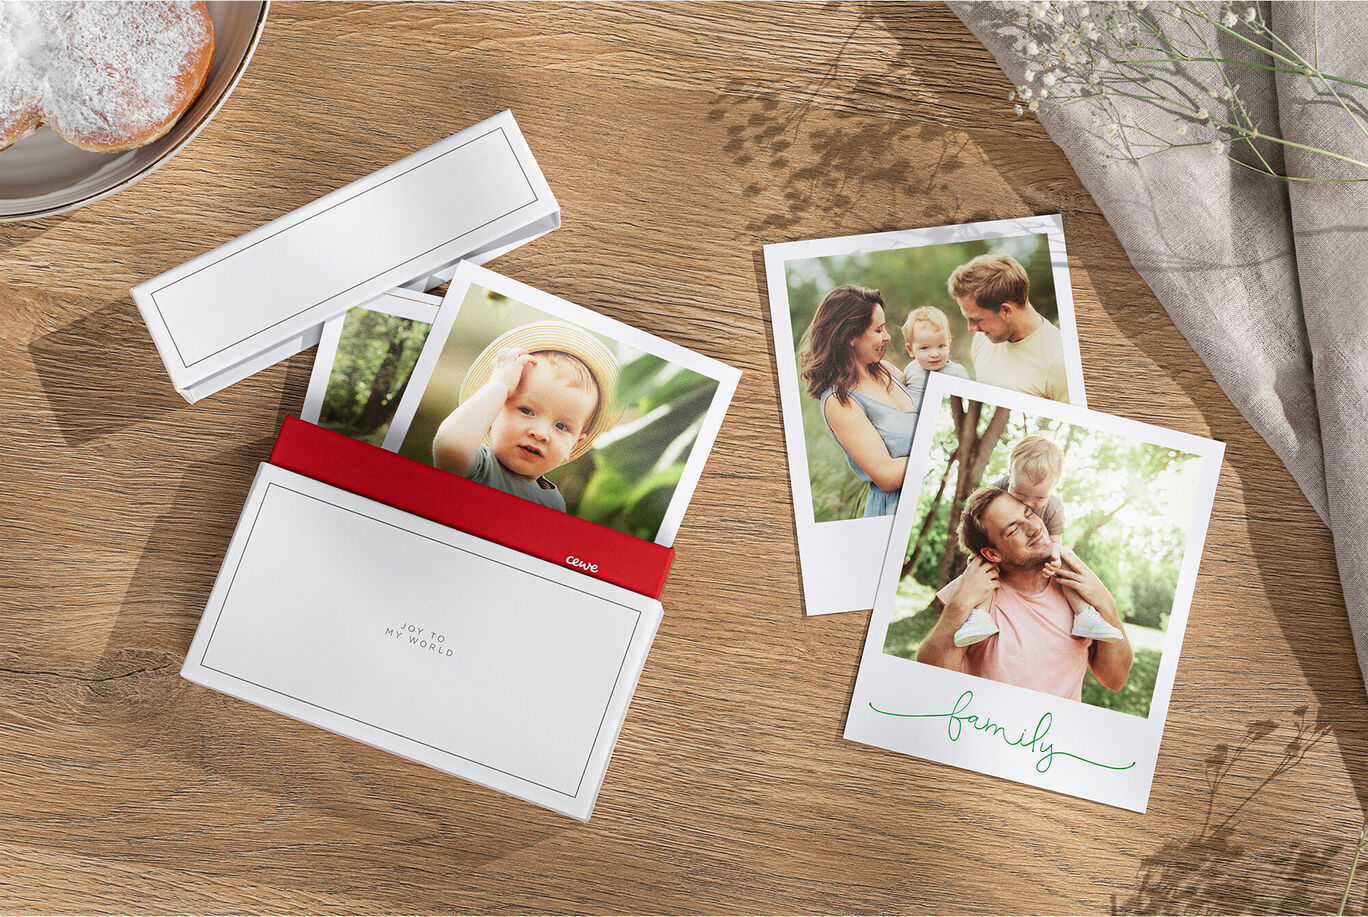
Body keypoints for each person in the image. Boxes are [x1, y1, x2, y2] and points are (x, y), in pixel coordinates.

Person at [917, 486, 1132, 701]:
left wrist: (1107, 604)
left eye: (1029, 514)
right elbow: (932, 684)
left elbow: (1115, 680)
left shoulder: (1077, 586)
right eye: (1013, 530)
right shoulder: (973, 591)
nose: (1034, 528)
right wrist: (958, 606)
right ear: (992, 553)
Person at [952, 436, 1126, 646]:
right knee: (980, 565)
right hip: (1001, 549)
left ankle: (1084, 614)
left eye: (1039, 498)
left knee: (1065, 564)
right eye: (1020, 494)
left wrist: (1054, 560)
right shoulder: (998, 489)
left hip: (1040, 550)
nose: (1030, 503)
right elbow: (981, 516)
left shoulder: (1054, 507)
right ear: (1010, 474)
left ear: (1055, 485)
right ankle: (980, 616)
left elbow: (1055, 544)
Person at [432, 321, 618, 513]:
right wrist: (500, 385)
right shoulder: (480, 467)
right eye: (527, 411)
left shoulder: (554, 505)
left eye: (562, 426)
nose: (540, 433)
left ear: (575, 445)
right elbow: (449, 445)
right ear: (492, 413)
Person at [799, 285, 918, 518]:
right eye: (879, 329)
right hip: (894, 513)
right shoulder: (839, 401)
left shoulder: (888, 370)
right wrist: (937, 452)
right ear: (851, 336)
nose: (887, 336)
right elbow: (887, 475)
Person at [948, 253, 1070, 402]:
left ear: (1006, 310)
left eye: (977, 319)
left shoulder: (1060, 364)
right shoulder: (982, 340)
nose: (971, 328)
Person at [900, 305, 971, 411]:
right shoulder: (911, 370)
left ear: (949, 344)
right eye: (924, 348)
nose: (934, 354)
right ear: (910, 350)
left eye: (941, 346)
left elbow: (967, 402)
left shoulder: (957, 373)